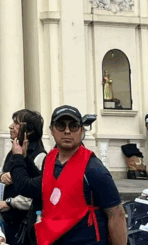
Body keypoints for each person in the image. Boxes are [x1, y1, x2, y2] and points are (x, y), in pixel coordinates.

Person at [10, 105, 127, 245]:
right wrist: (24, 158)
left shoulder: (94, 169)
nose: (67, 131)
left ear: (82, 130)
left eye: (73, 126)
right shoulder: (50, 159)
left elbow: (116, 214)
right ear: (51, 130)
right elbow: (39, 185)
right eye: (60, 126)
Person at [0, 109, 46, 245]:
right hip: (5, 221)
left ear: (29, 131)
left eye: (16, 123)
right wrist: (2, 177)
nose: (11, 127)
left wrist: (10, 203)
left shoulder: (40, 156)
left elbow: (36, 191)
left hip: (24, 224)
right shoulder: (12, 151)